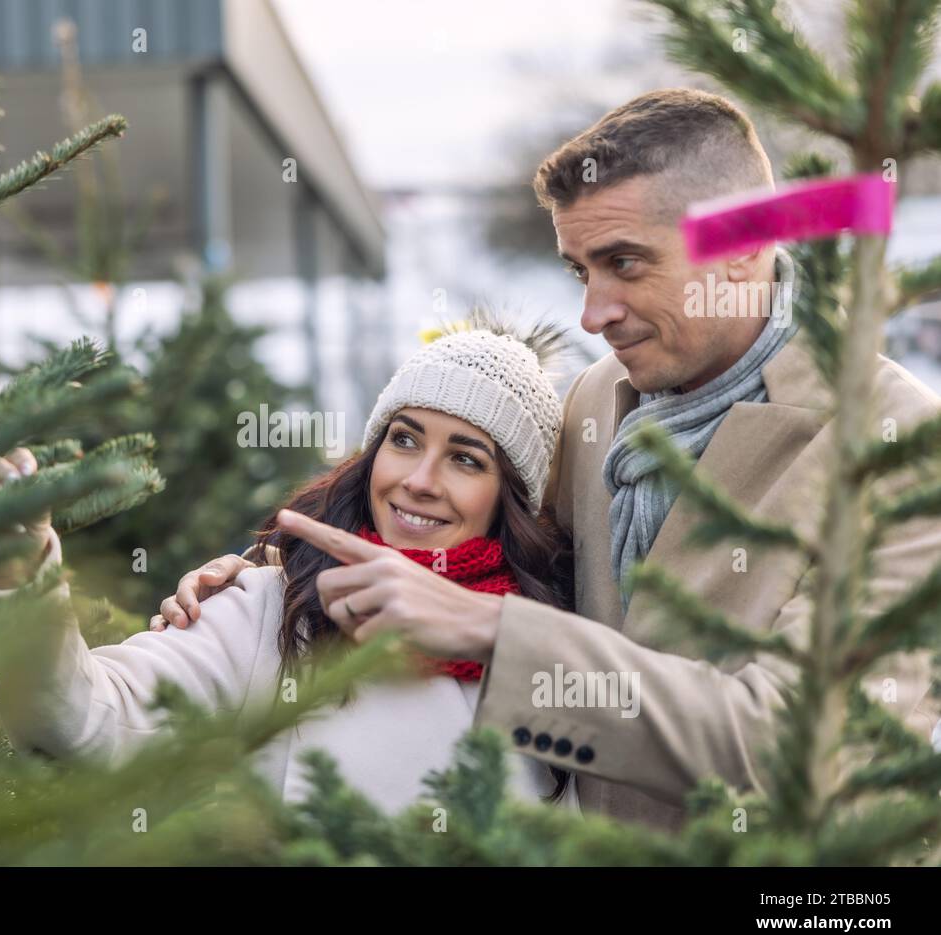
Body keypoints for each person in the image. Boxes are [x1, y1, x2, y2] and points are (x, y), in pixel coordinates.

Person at [155, 88, 941, 833]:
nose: (593, 314)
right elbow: (477, 527)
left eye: (626, 263)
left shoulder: (898, 440)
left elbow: (807, 744)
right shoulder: (601, 399)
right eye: (580, 270)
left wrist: (499, 632)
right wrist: (268, 573)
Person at [0, 317, 580, 816]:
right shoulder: (273, 605)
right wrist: (20, 562)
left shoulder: (546, 647)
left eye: (465, 460)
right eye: (404, 440)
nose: (418, 481)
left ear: (511, 499)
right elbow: (81, 719)